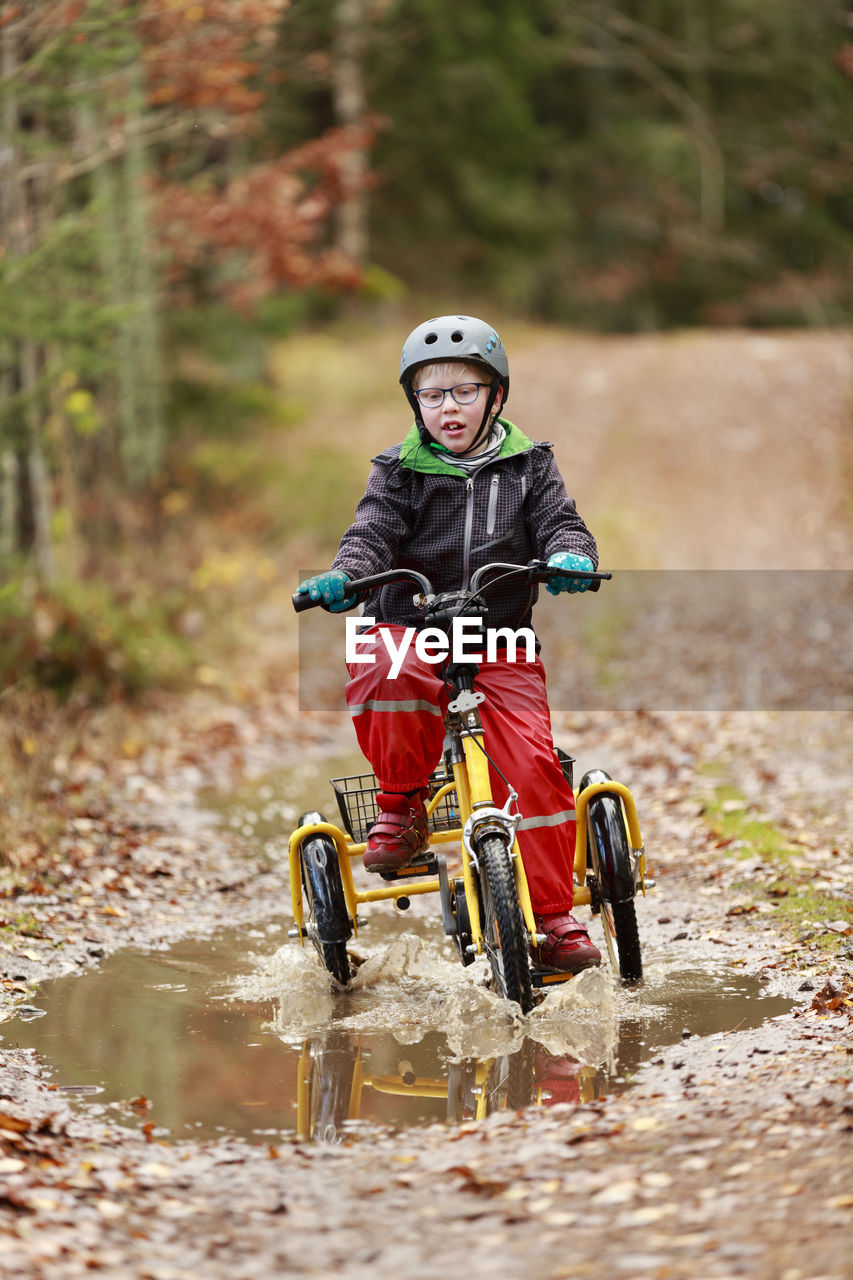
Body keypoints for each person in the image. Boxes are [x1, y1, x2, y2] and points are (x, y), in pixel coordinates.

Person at [297, 315, 601, 973]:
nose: (447, 408)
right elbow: (371, 533)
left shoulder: (529, 466)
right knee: (384, 662)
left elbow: (560, 525)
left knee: (533, 767)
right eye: (432, 395)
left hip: (498, 635)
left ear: (495, 396)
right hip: (408, 624)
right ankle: (400, 805)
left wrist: (571, 557)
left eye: (464, 391)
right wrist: (347, 576)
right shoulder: (398, 472)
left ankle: (550, 917)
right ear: (415, 403)